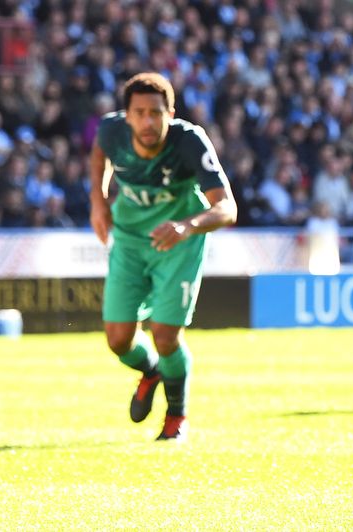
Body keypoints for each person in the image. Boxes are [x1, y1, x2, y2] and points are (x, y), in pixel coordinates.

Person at [89, 73, 237, 441]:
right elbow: (99, 154)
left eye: (156, 113)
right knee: (118, 340)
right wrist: (98, 199)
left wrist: (187, 226)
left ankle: (176, 417)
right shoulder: (111, 132)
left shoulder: (189, 142)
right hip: (129, 240)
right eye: (139, 113)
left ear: (170, 112)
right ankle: (151, 371)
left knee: (166, 336)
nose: (148, 121)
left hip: (178, 246)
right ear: (127, 116)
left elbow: (227, 208)